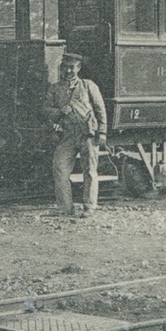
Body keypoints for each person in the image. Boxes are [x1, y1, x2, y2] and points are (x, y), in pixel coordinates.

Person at [43, 52, 108, 217]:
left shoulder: (88, 86)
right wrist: (58, 112)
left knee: (90, 171)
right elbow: (46, 109)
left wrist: (102, 132)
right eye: (65, 67)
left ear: (78, 68)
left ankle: (89, 207)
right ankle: (65, 208)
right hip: (67, 135)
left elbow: (100, 109)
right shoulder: (55, 88)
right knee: (59, 169)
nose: (68, 71)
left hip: (87, 134)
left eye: (72, 67)